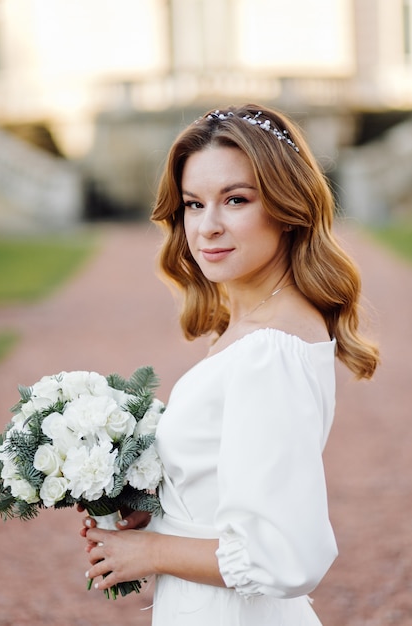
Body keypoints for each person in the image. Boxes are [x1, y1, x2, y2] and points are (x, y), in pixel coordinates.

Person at [80, 104, 379, 625]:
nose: (208, 227)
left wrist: (149, 552)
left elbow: (284, 555)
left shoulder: (269, 352)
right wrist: (160, 512)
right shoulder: (250, 329)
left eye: (235, 200)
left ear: (288, 207)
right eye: (194, 204)